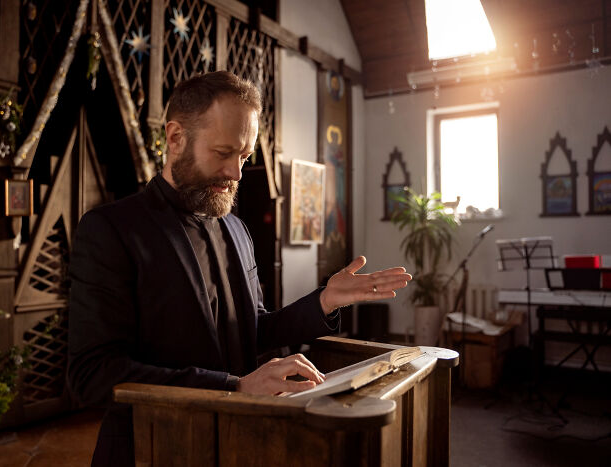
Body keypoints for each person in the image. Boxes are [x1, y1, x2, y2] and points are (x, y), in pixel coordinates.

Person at [67, 71, 412, 466]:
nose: (235, 172)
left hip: (236, 445)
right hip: (152, 447)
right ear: (176, 138)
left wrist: (323, 302)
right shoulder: (112, 229)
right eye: (222, 153)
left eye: (244, 157)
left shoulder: (235, 227)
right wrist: (234, 386)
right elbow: (92, 374)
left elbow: (251, 329)